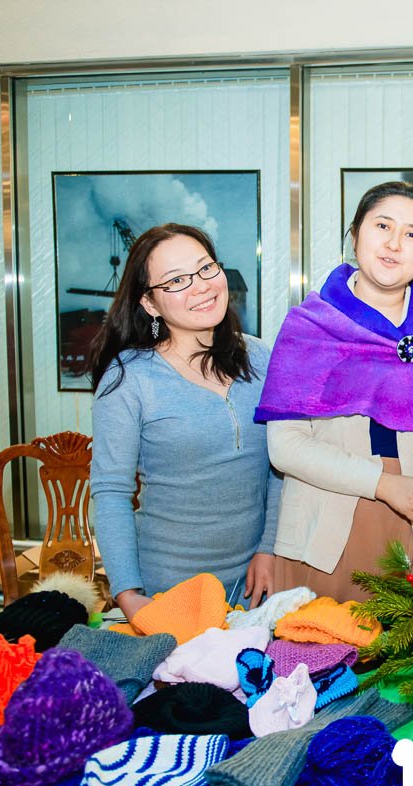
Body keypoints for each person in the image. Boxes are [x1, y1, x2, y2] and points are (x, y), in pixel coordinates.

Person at [256, 182, 413, 599]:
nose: (394, 243)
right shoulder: (309, 327)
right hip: (326, 532)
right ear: (355, 234)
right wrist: (384, 484)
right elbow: (284, 447)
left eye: (412, 234)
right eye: (382, 226)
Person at [89, 223, 282, 619]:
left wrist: (269, 549)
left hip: (254, 588)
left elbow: (280, 468)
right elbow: (111, 492)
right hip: (168, 591)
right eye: (176, 280)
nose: (201, 286)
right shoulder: (129, 378)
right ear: (150, 303)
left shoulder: (262, 359)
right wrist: (128, 593)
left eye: (206, 268)